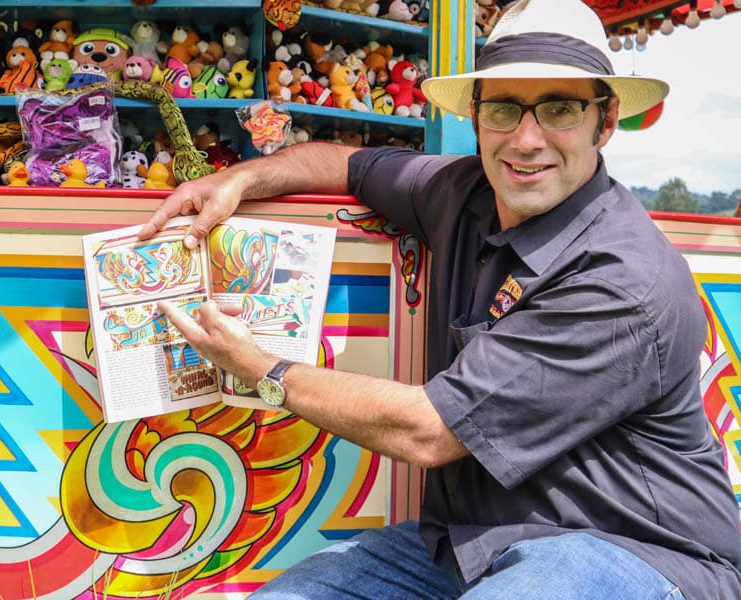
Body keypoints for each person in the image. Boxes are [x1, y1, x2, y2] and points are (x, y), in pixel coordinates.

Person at [138, 0, 741, 597]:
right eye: (505, 108)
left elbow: (429, 430)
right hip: (474, 543)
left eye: (560, 109)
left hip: (633, 553)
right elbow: (350, 165)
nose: (527, 140)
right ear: (477, 117)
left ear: (603, 123)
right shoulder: (464, 191)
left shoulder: (624, 280)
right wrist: (239, 178)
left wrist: (261, 369)